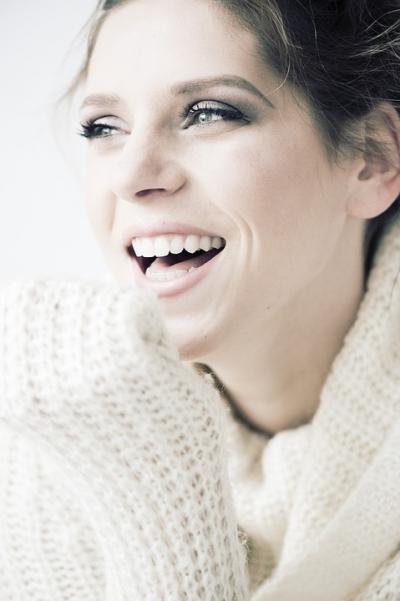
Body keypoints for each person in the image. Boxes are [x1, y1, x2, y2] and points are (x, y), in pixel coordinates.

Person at [0, 0, 399, 599]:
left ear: (373, 157)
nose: (132, 175)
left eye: (208, 113)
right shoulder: (32, 465)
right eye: (104, 127)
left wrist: (163, 493)